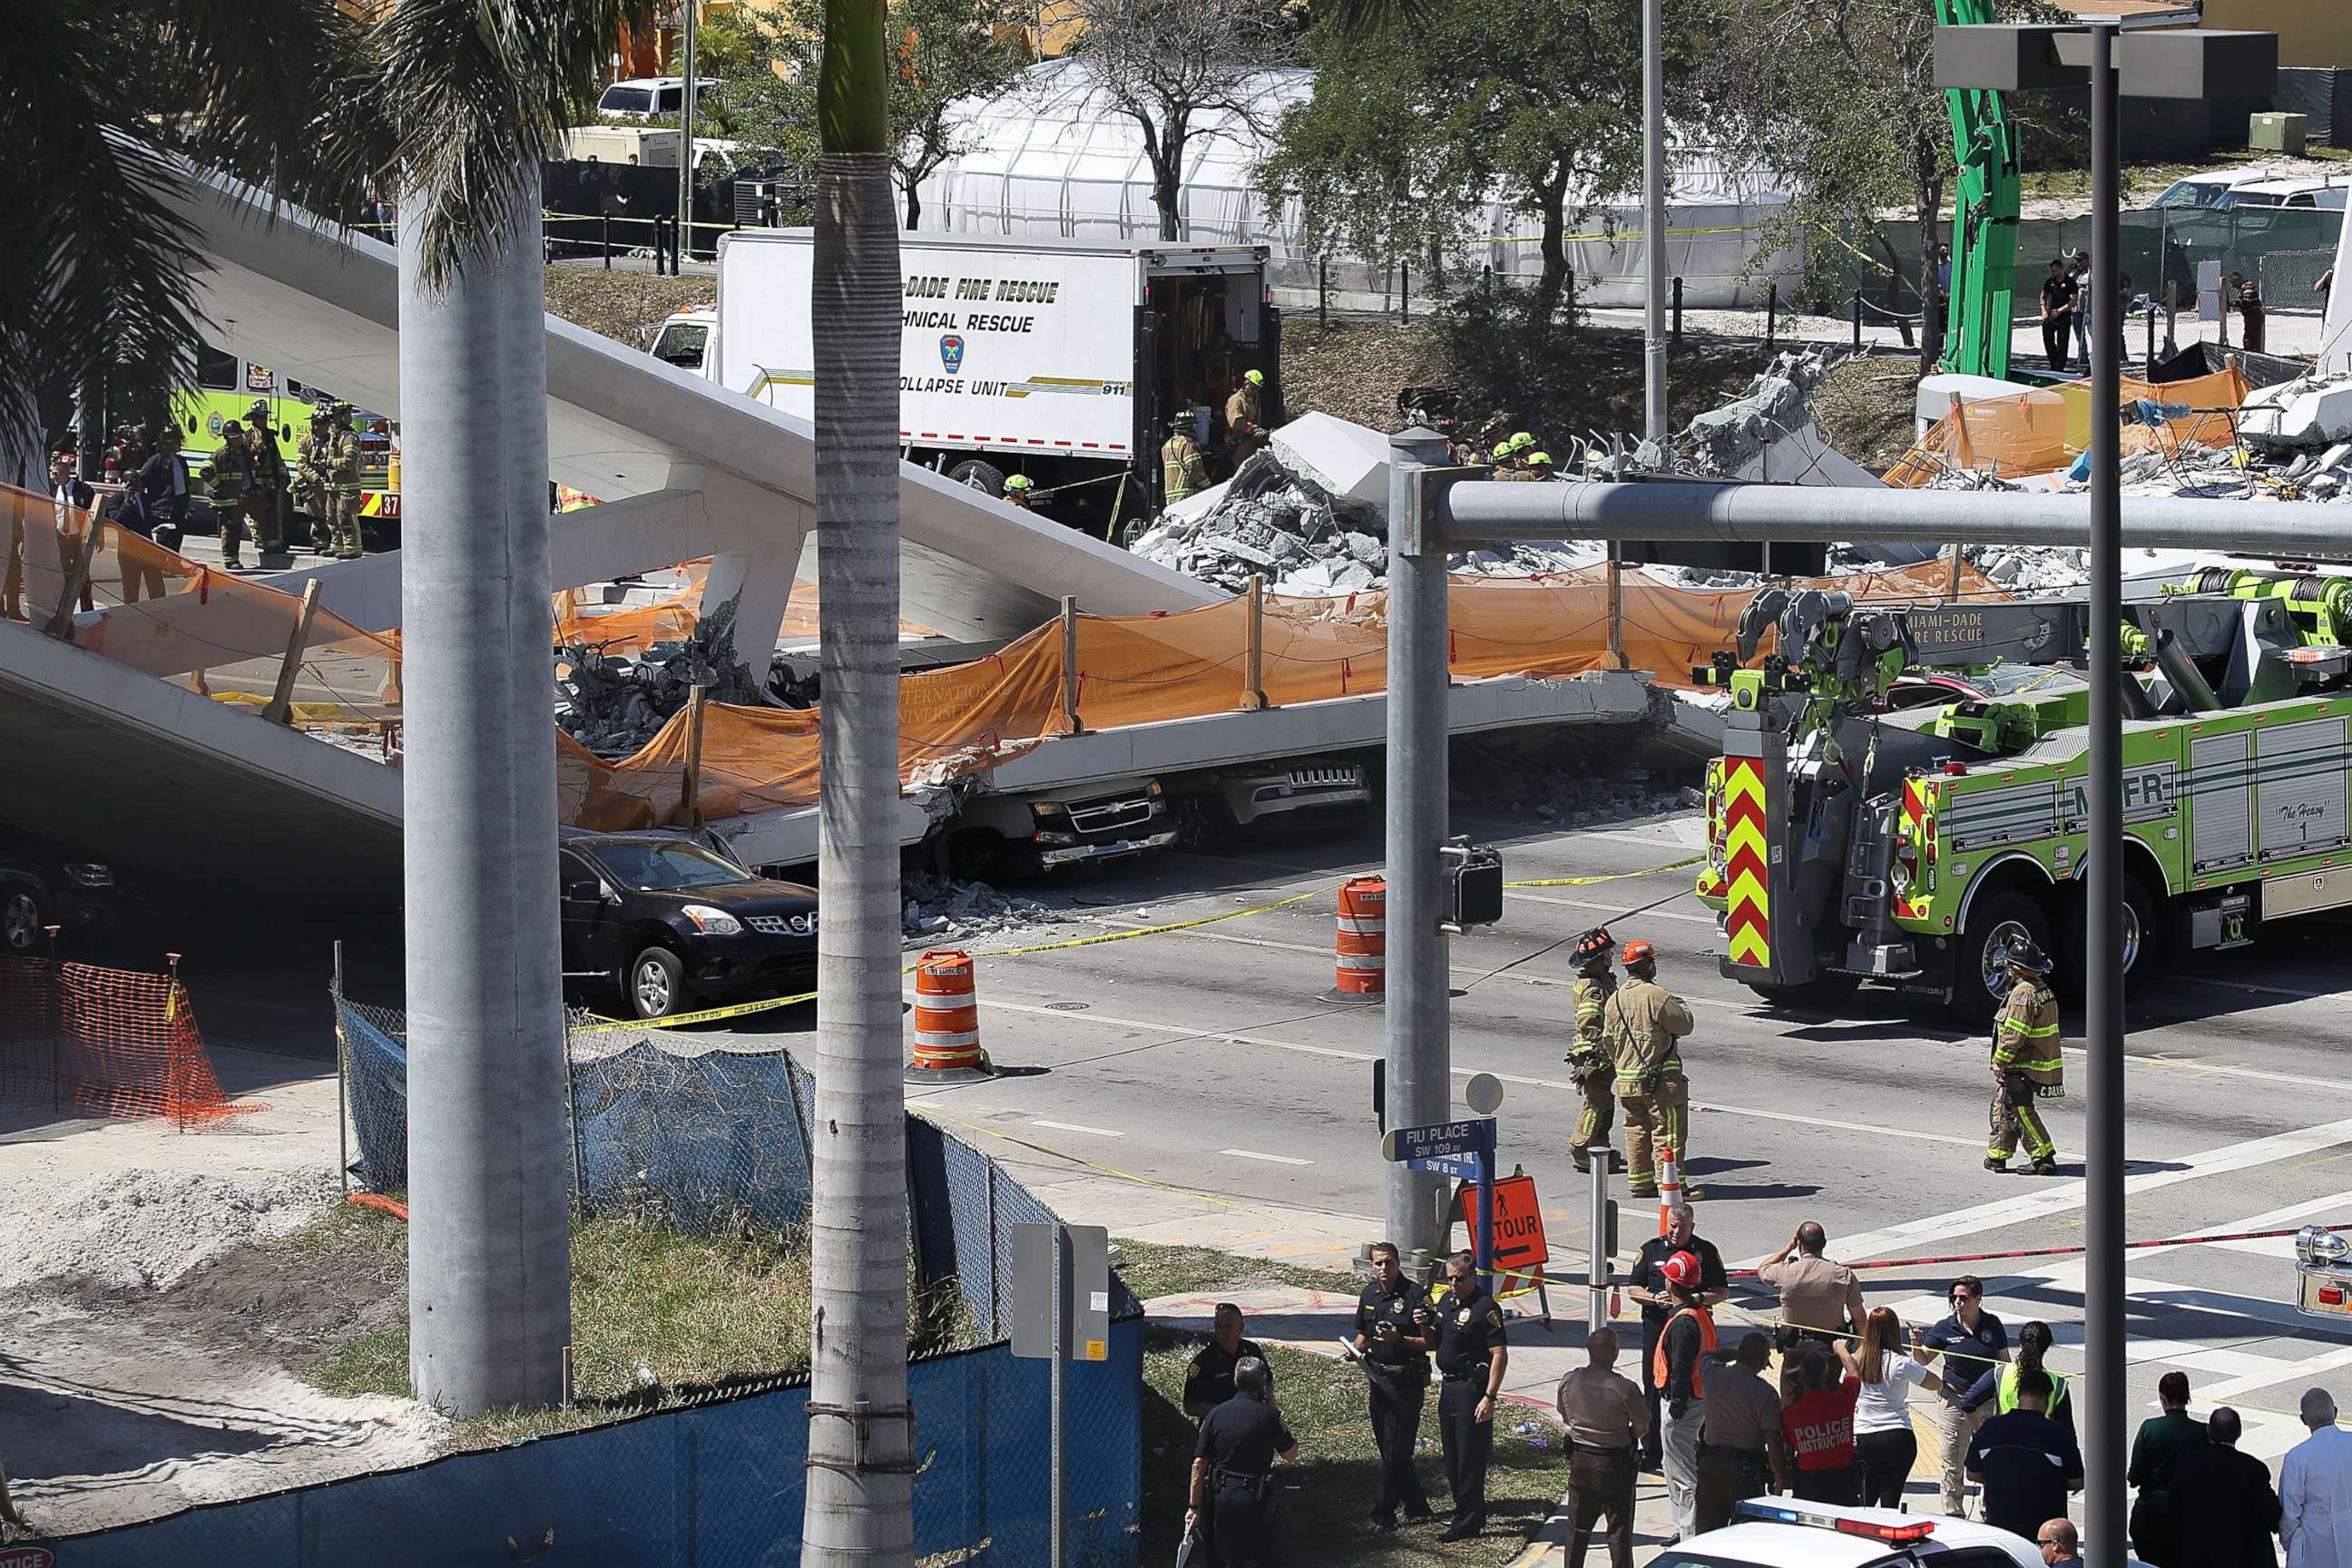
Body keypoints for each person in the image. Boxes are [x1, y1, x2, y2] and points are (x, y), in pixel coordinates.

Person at [1630, 1205, 1728, 1469]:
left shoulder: (1705, 1252)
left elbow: (1722, 1291)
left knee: (1695, 1382)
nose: (1676, 1231)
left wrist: (1698, 1298)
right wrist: (1653, 1298)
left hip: (1690, 1329)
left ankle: (1700, 1443)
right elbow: (1632, 1288)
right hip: (1657, 1327)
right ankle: (1652, 1450)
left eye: (1682, 1227)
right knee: (1653, 1384)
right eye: (1672, 1225)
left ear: (1692, 1227)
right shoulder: (1651, 1250)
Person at [1602, 936, 1695, 1200]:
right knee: (1668, 1133)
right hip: (1660, 1083)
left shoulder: (1614, 1000)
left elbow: (1608, 1042)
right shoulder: (1658, 997)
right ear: (1645, 965)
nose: (1654, 966)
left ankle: (1641, 1184)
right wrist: (1681, 1004)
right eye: (1651, 961)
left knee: (1636, 1131)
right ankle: (1673, 1186)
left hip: (1627, 1083)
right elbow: (1685, 1025)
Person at [1351, 1241, 1434, 1531]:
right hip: (1378, 1379)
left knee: (1396, 1450)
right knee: (1390, 1449)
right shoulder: (1370, 1293)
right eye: (1378, 1263)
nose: (1383, 1268)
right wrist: (1353, 1350)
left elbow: (1431, 1342)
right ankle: (1417, 1504)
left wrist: (1401, 1340)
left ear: (1398, 1263)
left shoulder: (1415, 1296)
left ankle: (1384, 1513)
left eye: (1388, 1262)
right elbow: (1364, 1334)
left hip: (1407, 1381)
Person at [1187, 1356, 1298, 1568]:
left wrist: (1194, 1507)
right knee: (1263, 1557)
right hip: (1255, 1500)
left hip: (1220, 1499)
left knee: (1221, 1557)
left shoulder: (1215, 1415)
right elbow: (1291, 1454)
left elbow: (1199, 1464)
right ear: (1262, 1385)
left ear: (1236, 1381)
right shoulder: (1268, 1416)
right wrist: (1275, 1411)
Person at [1430, 1248, 1508, 1541]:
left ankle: (1468, 1520)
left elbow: (1499, 1354)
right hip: (1448, 1387)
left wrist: (1489, 1396)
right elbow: (1437, 1336)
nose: (1454, 1284)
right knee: (1451, 1456)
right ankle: (1466, 1510)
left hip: (1471, 1389)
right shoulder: (1446, 1303)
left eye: (1460, 1278)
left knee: (1469, 1457)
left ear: (1473, 1276)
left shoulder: (1484, 1308)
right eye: (1450, 1278)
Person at [1918, 1274, 2010, 1516]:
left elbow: (2005, 1362)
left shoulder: (1992, 1325)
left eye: (1964, 1297)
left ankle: (1989, 1507)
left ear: (1978, 1299)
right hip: (1954, 1400)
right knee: (1952, 1460)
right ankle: (1953, 1512)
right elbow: (1924, 1359)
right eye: (1954, 1298)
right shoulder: (1944, 1328)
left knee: (1990, 1457)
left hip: (1987, 1402)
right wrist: (1916, 1344)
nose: (1958, 1302)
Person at [1554, 1324, 1646, 1568]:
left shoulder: (1569, 1380)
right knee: (1618, 1530)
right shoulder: (1624, 1387)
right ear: (1615, 1352)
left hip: (1581, 1460)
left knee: (1577, 1529)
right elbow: (1642, 1427)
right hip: (1613, 1462)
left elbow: (1564, 1415)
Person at [1838, 1307, 1945, 1507]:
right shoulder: (1901, 1363)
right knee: (1891, 1500)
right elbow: (1935, 1383)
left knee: (1865, 1501)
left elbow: (1845, 1393)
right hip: (1898, 1436)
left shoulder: (1856, 1363)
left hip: (1865, 1436)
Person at [1965, 1367, 2083, 1539]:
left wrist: (2002, 1478)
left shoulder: (1990, 1428)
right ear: (2046, 1398)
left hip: (2000, 1525)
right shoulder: (2058, 1433)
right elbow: (2077, 1482)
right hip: (2044, 1531)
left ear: (2019, 1395)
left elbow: (1972, 1473)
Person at [1757, 1220, 1867, 1399]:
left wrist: (1788, 1247)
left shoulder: (1786, 1272)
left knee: (1792, 1403)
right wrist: (1863, 1349)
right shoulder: (1842, 1274)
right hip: (1830, 1349)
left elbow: (1762, 1269)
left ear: (1800, 1244)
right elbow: (1859, 1318)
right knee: (1828, 1401)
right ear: (1823, 1244)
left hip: (1796, 1348)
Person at [1693, 1331, 1788, 1532]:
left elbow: (1708, 1355)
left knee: (1707, 1533)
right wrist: (1779, 1479)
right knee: (1746, 1534)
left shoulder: (1712, 1375)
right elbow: (1773, 1442)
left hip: (1710, 1466)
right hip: (1744, 1472)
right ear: (1762, 1360)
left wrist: (1739, 1354)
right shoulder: (1764, 1393)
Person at [1654, 1248, 1716, 1543]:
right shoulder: (1698, 1313)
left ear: (1670, 1284)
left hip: (1684, 1404)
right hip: (1696, 1399)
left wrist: (1676, 1407)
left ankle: (1690, 1538)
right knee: (1674, 1468)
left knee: (1683, 1475)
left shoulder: (1684, 1323)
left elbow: (1680, 1367)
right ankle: (1682, 1528)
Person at [1987, 936, 2063, 1174]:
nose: (2008, 969)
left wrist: (2001, 1060)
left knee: (2019, 1109)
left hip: (2022, 1065)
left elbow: (2014, 1033)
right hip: (2033, 1063)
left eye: (2010, 966)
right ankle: (1997, 1155)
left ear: (2017, 969)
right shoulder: (2041, 990)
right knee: (2003, 1105)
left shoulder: (2023, 994)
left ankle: (2043, 1157)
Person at [2171, 1406, 2283, 1567]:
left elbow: (2174, 1510)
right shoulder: (2254, 1470)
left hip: (2200, 1557)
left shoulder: (2186, 1465)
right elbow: (2273, 1515)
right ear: (2239, 1432)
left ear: (2209, 1431)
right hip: (2245, 1558)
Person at [2131, 1369, 2206, 1565]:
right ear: (2187, 1397)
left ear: (2163, 1399)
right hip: (2189, 1515)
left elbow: (2135, 1476)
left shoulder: (2149, 1428)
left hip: (2151, 1514)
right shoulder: (2203, 1432)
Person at [1567, 926, 1621, 1174]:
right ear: (1596, 961)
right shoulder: (1594, 988)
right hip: (1596, 1058)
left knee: (1605, 1105)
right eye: (1607, 954)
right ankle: (1582, 1150)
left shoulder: (1596, 980)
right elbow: (1589, 1023)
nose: (1611, 958)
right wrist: (1604, 1049)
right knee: (1595, 1106)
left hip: (1599, 1056)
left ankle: (1599, 1147)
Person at [1780, 1348, 1864, 1503]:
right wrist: (1841, 1349)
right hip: (1843, 1483)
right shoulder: (1844, 1398)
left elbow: (1790, 1445)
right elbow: (1853, 1371)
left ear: (1801, 1378)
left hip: (1808, 1484)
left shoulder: (1790, 1413)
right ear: (1826, 1377)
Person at [1962, 1319, 2073, 1436]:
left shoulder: (2001, 1373)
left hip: (2004, 1443)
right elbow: (2068, 1433)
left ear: (2021, 1343)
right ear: (2047, 1346)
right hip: (2039, 1447)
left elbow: (1967, 1403)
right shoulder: (2058, 1385)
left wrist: (1981, 1432)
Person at [2282, 1387, 2352, 1568]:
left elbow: (2289, 1512)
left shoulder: (2297, 1457)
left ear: (2303, 1420)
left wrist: (2291, 1544)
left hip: (2315, 1545)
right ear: (2335, 1412)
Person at [1184, 1303, 1268, 1418]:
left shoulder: (1252, 1351)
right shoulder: (1203, 1362)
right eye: (1218, 1326)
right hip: (1221, 1423)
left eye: (1228, 1327)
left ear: (1241, 1328)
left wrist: (1272, 1416)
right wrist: (1231, 1413)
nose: (1222, 1332)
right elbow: (1190, 1406)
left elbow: (1267, 1385)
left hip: (1254, 1419)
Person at [201, 420, 254, 568]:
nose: (240, 439)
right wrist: (219, 485)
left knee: (237, 529)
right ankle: (230, 560)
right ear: (229, 438)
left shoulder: (244, 453)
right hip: (227, 500)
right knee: (230, 530)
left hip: (242, 497)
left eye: (240, 436)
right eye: (236, 437)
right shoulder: (221, 454)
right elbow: (205, 471)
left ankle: (235, 558)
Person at [243, 397, 290, 554]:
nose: (264, 420)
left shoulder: (270, 436)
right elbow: (246, 461)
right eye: (260, 417)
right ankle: (261, 541)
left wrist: (283, 476)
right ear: (254, 418)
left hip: (270, 481)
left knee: (273, 512)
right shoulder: (248, 437)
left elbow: (276, 457)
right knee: (257, 513)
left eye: (265, 416)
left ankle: (274, 544)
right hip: (256, 482)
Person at [326, 403, 365, 560]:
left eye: (334, 417)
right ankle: (337, 546)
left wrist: (329, 463)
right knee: (332, 517)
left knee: (346, 517)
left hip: (347, 487)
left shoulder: (349, 437)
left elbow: (350, 461)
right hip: (334, 486)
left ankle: (352, 548)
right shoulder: (336, 435)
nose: (332, 421)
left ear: (342, 417)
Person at [2040, 259, 2077, 373]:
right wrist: (2044, 311)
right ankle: (2053, 361)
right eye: (2052, 271)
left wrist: (2061, 310)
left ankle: (2060, 365)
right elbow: (2043, 297)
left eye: (2055, 270)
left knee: (2062, 341)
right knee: (2048, 338)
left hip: (2063, 316)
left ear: (2061, 269)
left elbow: (2073, 301)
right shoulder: (2050, 282)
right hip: (2051, 315)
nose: (2053, 273)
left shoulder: (2070, 283)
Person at [1162, 414, 1208, 505]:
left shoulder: (1167, 445)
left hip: (1170, 495)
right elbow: (1195, 469)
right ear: (1190, 426)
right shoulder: (1188, 444)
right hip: (1186, 495)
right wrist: (1208, 487)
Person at [1225, 368, 1267, 467]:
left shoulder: (1251, 401)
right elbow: (1236, 422)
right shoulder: (1236, 400)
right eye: (1253, 388)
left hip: (1250, 444)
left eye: (1257, 389)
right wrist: (1254, 430)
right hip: (1239, 444)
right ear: (1245, 384)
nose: (1255, 392)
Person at [2234, 271, 2269, 356]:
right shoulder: (2244, 289)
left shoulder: (2248, 287)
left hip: (2253, 317)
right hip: (2251, 317)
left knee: (2250, 340)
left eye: (2234, 284)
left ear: (2238, 280)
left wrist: (2235, 304)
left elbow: (2246, 302)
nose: (2234, 287)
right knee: (2252, 339)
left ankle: (2252, 356)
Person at [2068, 252, 2092, 365]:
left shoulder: (2091, 273)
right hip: (2076, 308)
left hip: (2089, 308)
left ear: (2087, 261)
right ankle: (2083, 357)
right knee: (2079, 334)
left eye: (2081, 261)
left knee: (2093, 332)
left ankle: (2099, 356)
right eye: (2077, 261)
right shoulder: (2074, 273)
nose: (2078, 263)